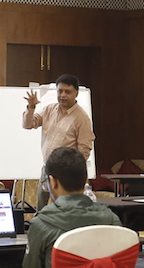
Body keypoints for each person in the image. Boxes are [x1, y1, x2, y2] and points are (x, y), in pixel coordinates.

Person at [23, 74, 95, 210]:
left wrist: (72, 173)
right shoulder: (49, 110)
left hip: (67, 174)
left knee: (63, 211)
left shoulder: (82, 118)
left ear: (76, 93)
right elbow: (28, 124)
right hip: (48, 170)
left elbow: (84, 150)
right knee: (43, 209)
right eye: (60, 91)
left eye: (67, 92)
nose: (63, 95)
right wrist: (31, 107)